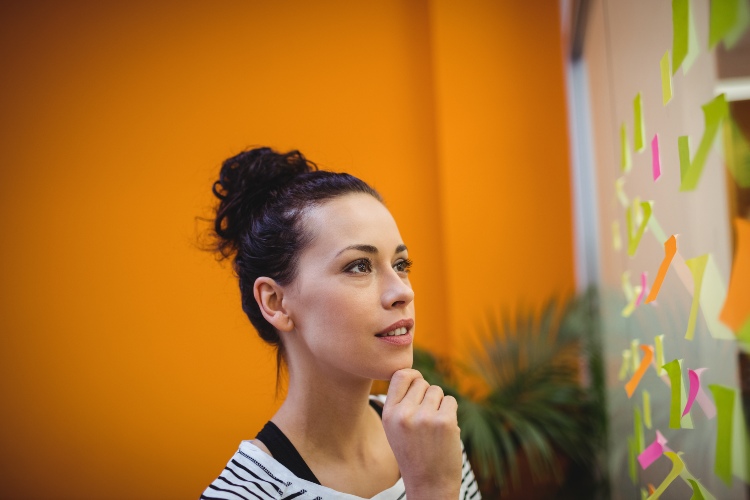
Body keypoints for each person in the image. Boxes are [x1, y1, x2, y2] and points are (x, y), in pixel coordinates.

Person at [200, 147, 480, 499]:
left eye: (401, 265)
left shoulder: (428, 433)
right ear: (276, 302)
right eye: (359, 266)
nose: (403, 292)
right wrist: (431, 489)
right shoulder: (242, 494)